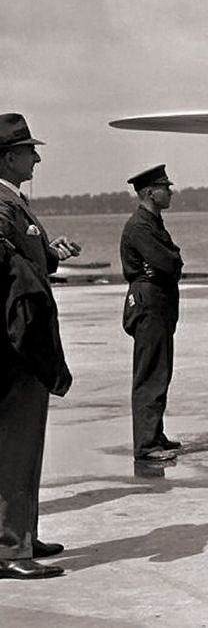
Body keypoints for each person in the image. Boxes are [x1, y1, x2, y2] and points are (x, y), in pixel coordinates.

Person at [0, 113, 78, 580]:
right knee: (16, 445)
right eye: (30, 150)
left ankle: (22, 534)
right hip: (16, 344)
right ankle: (10, 547)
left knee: (21, 445)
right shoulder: (0, 202)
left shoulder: (14, 202)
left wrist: (49, 252)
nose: (37, 157)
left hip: (22, 339)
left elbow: (21, 255)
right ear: (8, 157)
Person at [120, 165, 185, 461]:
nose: (170, 191)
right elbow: (168, 262)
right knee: (150, 374)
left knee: (161, 371)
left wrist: (171, 261)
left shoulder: (152, 223)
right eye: (164, 187)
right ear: (149, 192)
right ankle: (146, 445)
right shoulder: (140, 227)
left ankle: (154, 434)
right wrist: (171, 261)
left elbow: (169, 261)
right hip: (149, 302)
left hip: (159, 301)